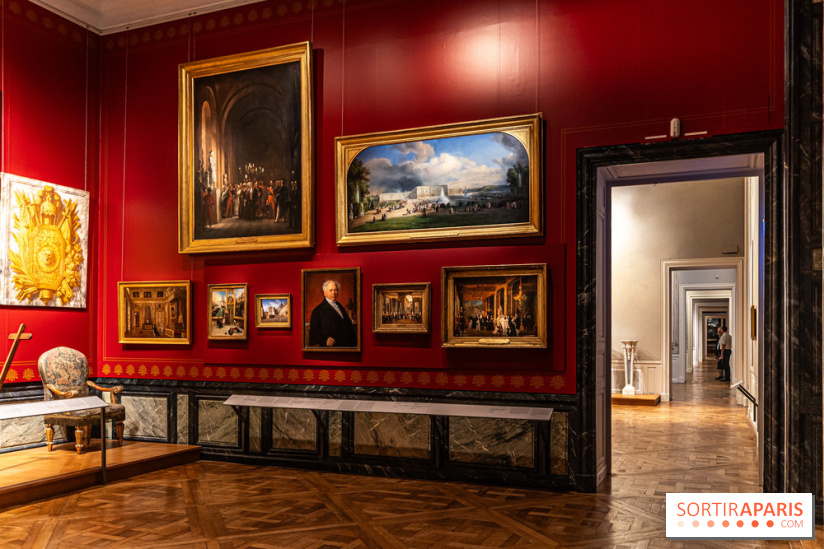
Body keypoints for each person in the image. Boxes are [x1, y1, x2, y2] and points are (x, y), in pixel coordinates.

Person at [308, 280, 357, 347]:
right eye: (330, 290)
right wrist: (325, 340)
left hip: (348, 347)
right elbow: (313, 334)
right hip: (332, 349)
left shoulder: (340, 306)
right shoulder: (317, 311)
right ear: (324, 293)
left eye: (335, 290)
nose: (334, 293)